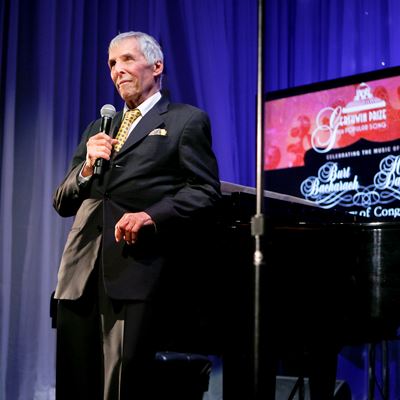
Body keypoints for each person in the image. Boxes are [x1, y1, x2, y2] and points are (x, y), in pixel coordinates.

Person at [52, 31, 221, 400]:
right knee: (76, 380)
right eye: (112, 64)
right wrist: (85, 169)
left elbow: (205, 191)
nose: (117, 70)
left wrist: (151, 215)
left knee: (123, 382)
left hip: (135, 269)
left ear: (156, 66)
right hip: (81, 272)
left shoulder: (184, 121)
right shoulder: (98, 129)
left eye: (127, 60)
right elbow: (62, 202)